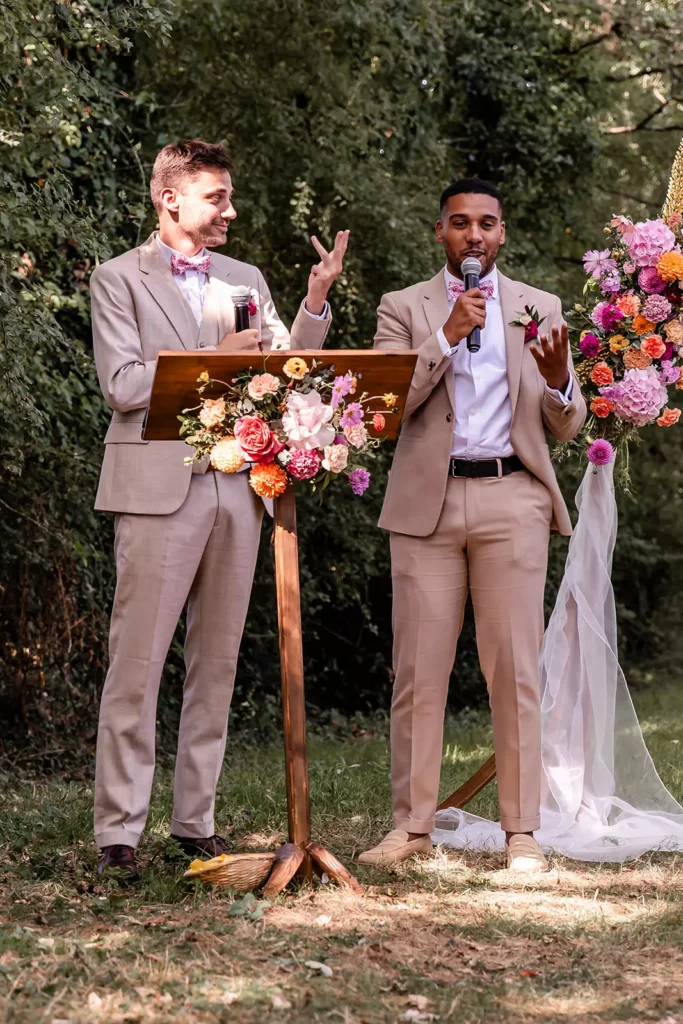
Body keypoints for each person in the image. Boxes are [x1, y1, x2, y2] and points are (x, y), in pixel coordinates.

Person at [90, 139, 349, 880]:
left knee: (218, 661)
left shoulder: (245, 279)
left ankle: (194, 822)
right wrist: (222, 360)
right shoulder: (117, 278)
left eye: (230, 197)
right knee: (137, 663)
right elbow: (122, 385)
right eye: (216, 197)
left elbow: (290, 369)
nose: (230, 211)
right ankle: (118, 832)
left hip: (239, 489)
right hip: (155, 489)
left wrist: (315, 301)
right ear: (168, 198)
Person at [358, 178, 586, 871]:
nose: (474, 235)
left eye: (486, 223)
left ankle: (522, 832)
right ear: (441, 232)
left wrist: (559, 383)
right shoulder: (403, 308)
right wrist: (445, 336)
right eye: (460, 223)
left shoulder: (539, 307)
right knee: (417, 672)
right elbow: (383, 408)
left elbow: (566, 426)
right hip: (426, 505)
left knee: (514, 670)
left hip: (512, 500)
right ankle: (411, 828)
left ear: (502, 233)